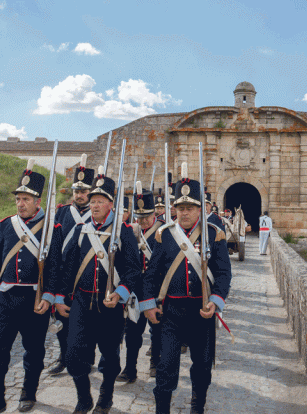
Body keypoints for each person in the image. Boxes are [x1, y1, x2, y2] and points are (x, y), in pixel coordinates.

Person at [140, 165, 232, 414]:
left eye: (190, 208)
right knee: (166, 365)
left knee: (202, 366)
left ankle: (197, 406)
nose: (185, 213)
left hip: (201, 312)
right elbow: (151, 274)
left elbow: (223, 273)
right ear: (174, 210)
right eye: (180, 208)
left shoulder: (214, 234)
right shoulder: (164, 235)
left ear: (200, 209)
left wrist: (216, 300)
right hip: (171, 312)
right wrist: (148, 304)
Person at [0, 160, 63, 414]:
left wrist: (48, 296)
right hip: (5, 296)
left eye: (26, 199)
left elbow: (55, 266)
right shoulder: (7, 225)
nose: (20, 203)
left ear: (38, 202)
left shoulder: (51, 228)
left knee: (34, 350)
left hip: (34, 299)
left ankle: (29, 392)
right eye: (18, 198)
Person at [55, 167, 141, 414]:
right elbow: (68, 266)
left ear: (110, 204)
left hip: (109, 305)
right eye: (92, 201)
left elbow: (133, 270)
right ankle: (84, 398)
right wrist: (60, 296)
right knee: (73, 355)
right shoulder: (82, 230)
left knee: (110, 357)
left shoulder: (123, 232)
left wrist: (121, 293)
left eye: (100, 201)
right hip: (82, 301)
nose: (94, 205)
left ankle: (106, 396)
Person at [49, 156, 94, 375]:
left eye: (84, 191)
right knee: (61, 320)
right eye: (77, 190)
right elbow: (54, 242)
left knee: (86, 321)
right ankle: (64, 356)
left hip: (85, 273)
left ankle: (85, 356)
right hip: (62, 275)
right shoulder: (62, 212)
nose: (79, 195)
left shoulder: (96, 215)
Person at [116, 181, 164, 383]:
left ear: (154, 214)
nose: (143, 222)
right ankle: (130, 368)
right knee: (133, 333)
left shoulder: (165, 231)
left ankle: (155, 362)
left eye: (147, 217)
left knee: (157, 330)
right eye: (140, 217)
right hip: (135, 289)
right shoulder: (129, 231)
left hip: (156, 290)